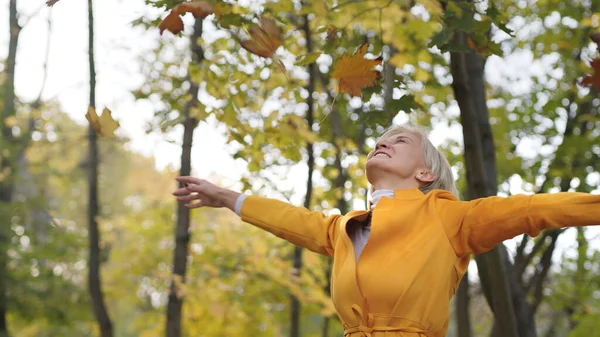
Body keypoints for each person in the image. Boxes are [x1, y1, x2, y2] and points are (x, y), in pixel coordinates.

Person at [172, 124, 600, 337]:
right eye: (381, 137)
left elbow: (535, 209)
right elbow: (294, 221)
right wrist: (227, 197)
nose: (384, 141)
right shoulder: (344, 229)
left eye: (399, 140)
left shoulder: (451, 218)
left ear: (424, 172)